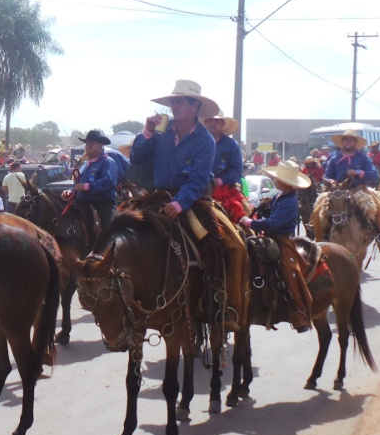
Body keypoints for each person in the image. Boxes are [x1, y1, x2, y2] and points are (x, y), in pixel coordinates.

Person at [130, 79, 248, 332]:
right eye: (173, 101)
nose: (174, 106)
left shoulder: (205, 140)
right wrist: (147, 131)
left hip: (193, 200)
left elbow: (198, 180)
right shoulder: (162, 132)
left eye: (180, 101)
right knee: (125, 231)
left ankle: (219, 302)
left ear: (195, 106)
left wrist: (180, 203)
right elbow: (137, 157)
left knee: (225, 244)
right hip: (158, 196)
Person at [239, 161, 314, 332]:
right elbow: (271, 216)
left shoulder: (290, 201)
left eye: (278, 179)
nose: (275, 180)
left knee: (289, 270)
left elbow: (274, 223)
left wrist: (250, 222)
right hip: (270, 237)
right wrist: (265, 207)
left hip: (283, 240)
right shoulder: (280, 196)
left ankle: (298, 311)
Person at [319, 129, 380, 255]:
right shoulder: (334, 157)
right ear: (342, 142)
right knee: (318, 209)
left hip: (359, 191)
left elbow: (374, 174)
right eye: (346, 139)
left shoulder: (363, 157)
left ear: (355, 142)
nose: (348, 142)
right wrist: (331, 181)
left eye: (351, 139)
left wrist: (358, 173)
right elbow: (326, 175)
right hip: (337, 191)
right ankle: (320, 240)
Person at [62, 130, 119, 224]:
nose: (89, 145)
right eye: (87, 143)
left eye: (93, 142)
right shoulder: (85, 164)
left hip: (102, 205)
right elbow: (77, 184)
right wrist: (70, 191)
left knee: (108, 232)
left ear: (101, 145)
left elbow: (108, 182)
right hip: (82, 205)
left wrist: (85, 187)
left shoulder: (108, 162)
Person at [203, 113, 246, 223]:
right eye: (209, 120)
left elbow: (237, 170)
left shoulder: (231, 145)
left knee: (238, 217)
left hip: (224, 191)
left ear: (222, 124)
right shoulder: (196, 143)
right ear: (205, 123)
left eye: (216, 121)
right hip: (197, 189)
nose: (213, 123)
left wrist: (219, 181)